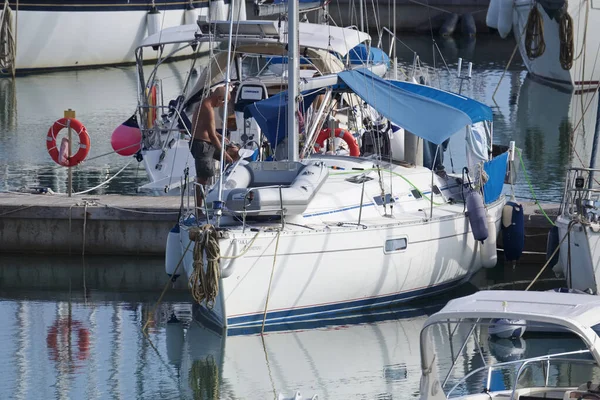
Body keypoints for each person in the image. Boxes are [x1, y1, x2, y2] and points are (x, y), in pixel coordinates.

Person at [189, 86, 234, 212]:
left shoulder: (208, 106)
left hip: (207, 144)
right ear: (219, 98)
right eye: (224, 101)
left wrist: (222, 137)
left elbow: (208, 128)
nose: (223, 105)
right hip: (201, 145)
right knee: (203, 178)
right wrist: (224, 155)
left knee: (234, 152)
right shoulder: (207, 108)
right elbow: (211, 135)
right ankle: (198, 209)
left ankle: (228, 189)